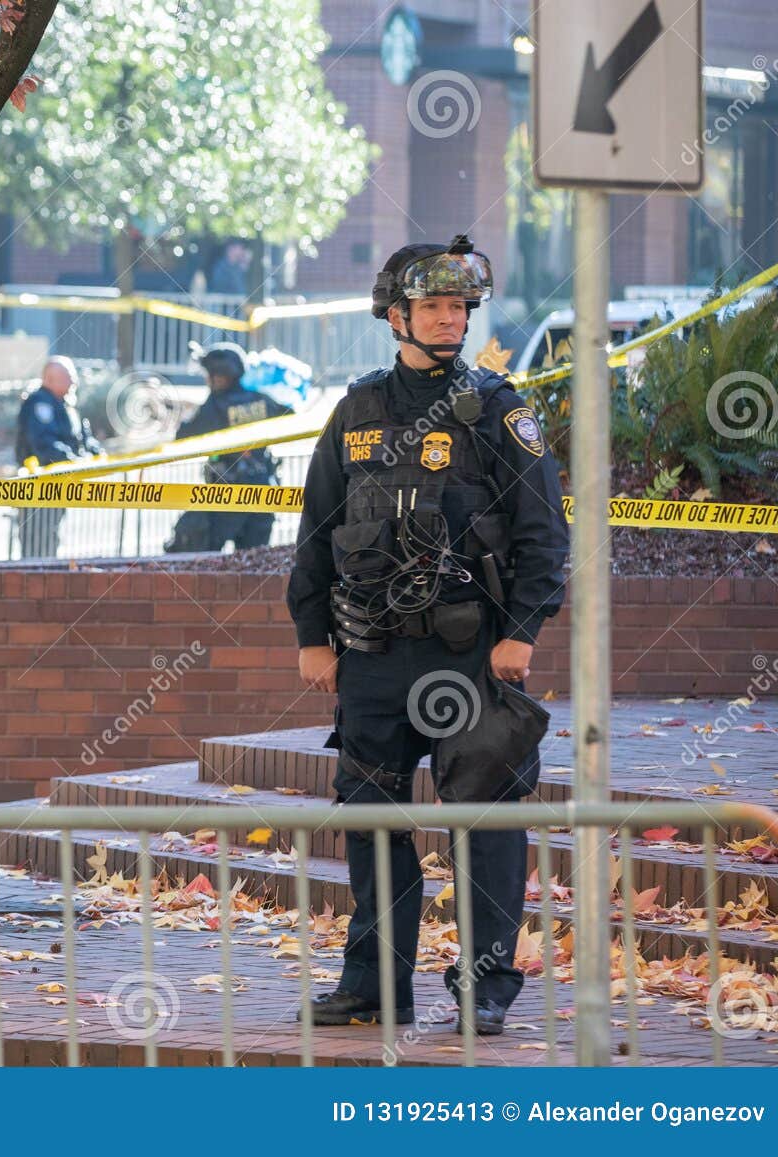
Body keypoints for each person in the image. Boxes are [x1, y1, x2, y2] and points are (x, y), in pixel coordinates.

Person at [285, 235, 568, 1036]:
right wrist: (313, 635)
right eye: (433, 307)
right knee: (372, 822)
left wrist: (522, 633)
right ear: (396, 316)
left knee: (484, 822)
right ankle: (375, 984)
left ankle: (485, 990)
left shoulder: (498, 410)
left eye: (458, 307)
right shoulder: (357, 412)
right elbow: (316, 531)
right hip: (371, 657)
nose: (449, 320)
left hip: (470, 659)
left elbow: (544, 533)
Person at [164, 343, 294, 553]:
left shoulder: (215, 404)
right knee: (254, 563)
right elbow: (290, 415)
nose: (207, 380)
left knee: (196, 552)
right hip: (264, 493)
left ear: (220, 376)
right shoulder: (260, 399)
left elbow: (183, 436)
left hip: (226, 496)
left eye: (209, 374)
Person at [13, 356, 101, 557]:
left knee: (49, 539)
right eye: (68, 377)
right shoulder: (39, 404)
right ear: (50, 379)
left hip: (56, 486)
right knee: (37, 543)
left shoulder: (65, 405)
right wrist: (75, 461)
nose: (74, 382)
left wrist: (96, 455)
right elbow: (44, 445)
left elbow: (82, 439)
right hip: (37, 488)